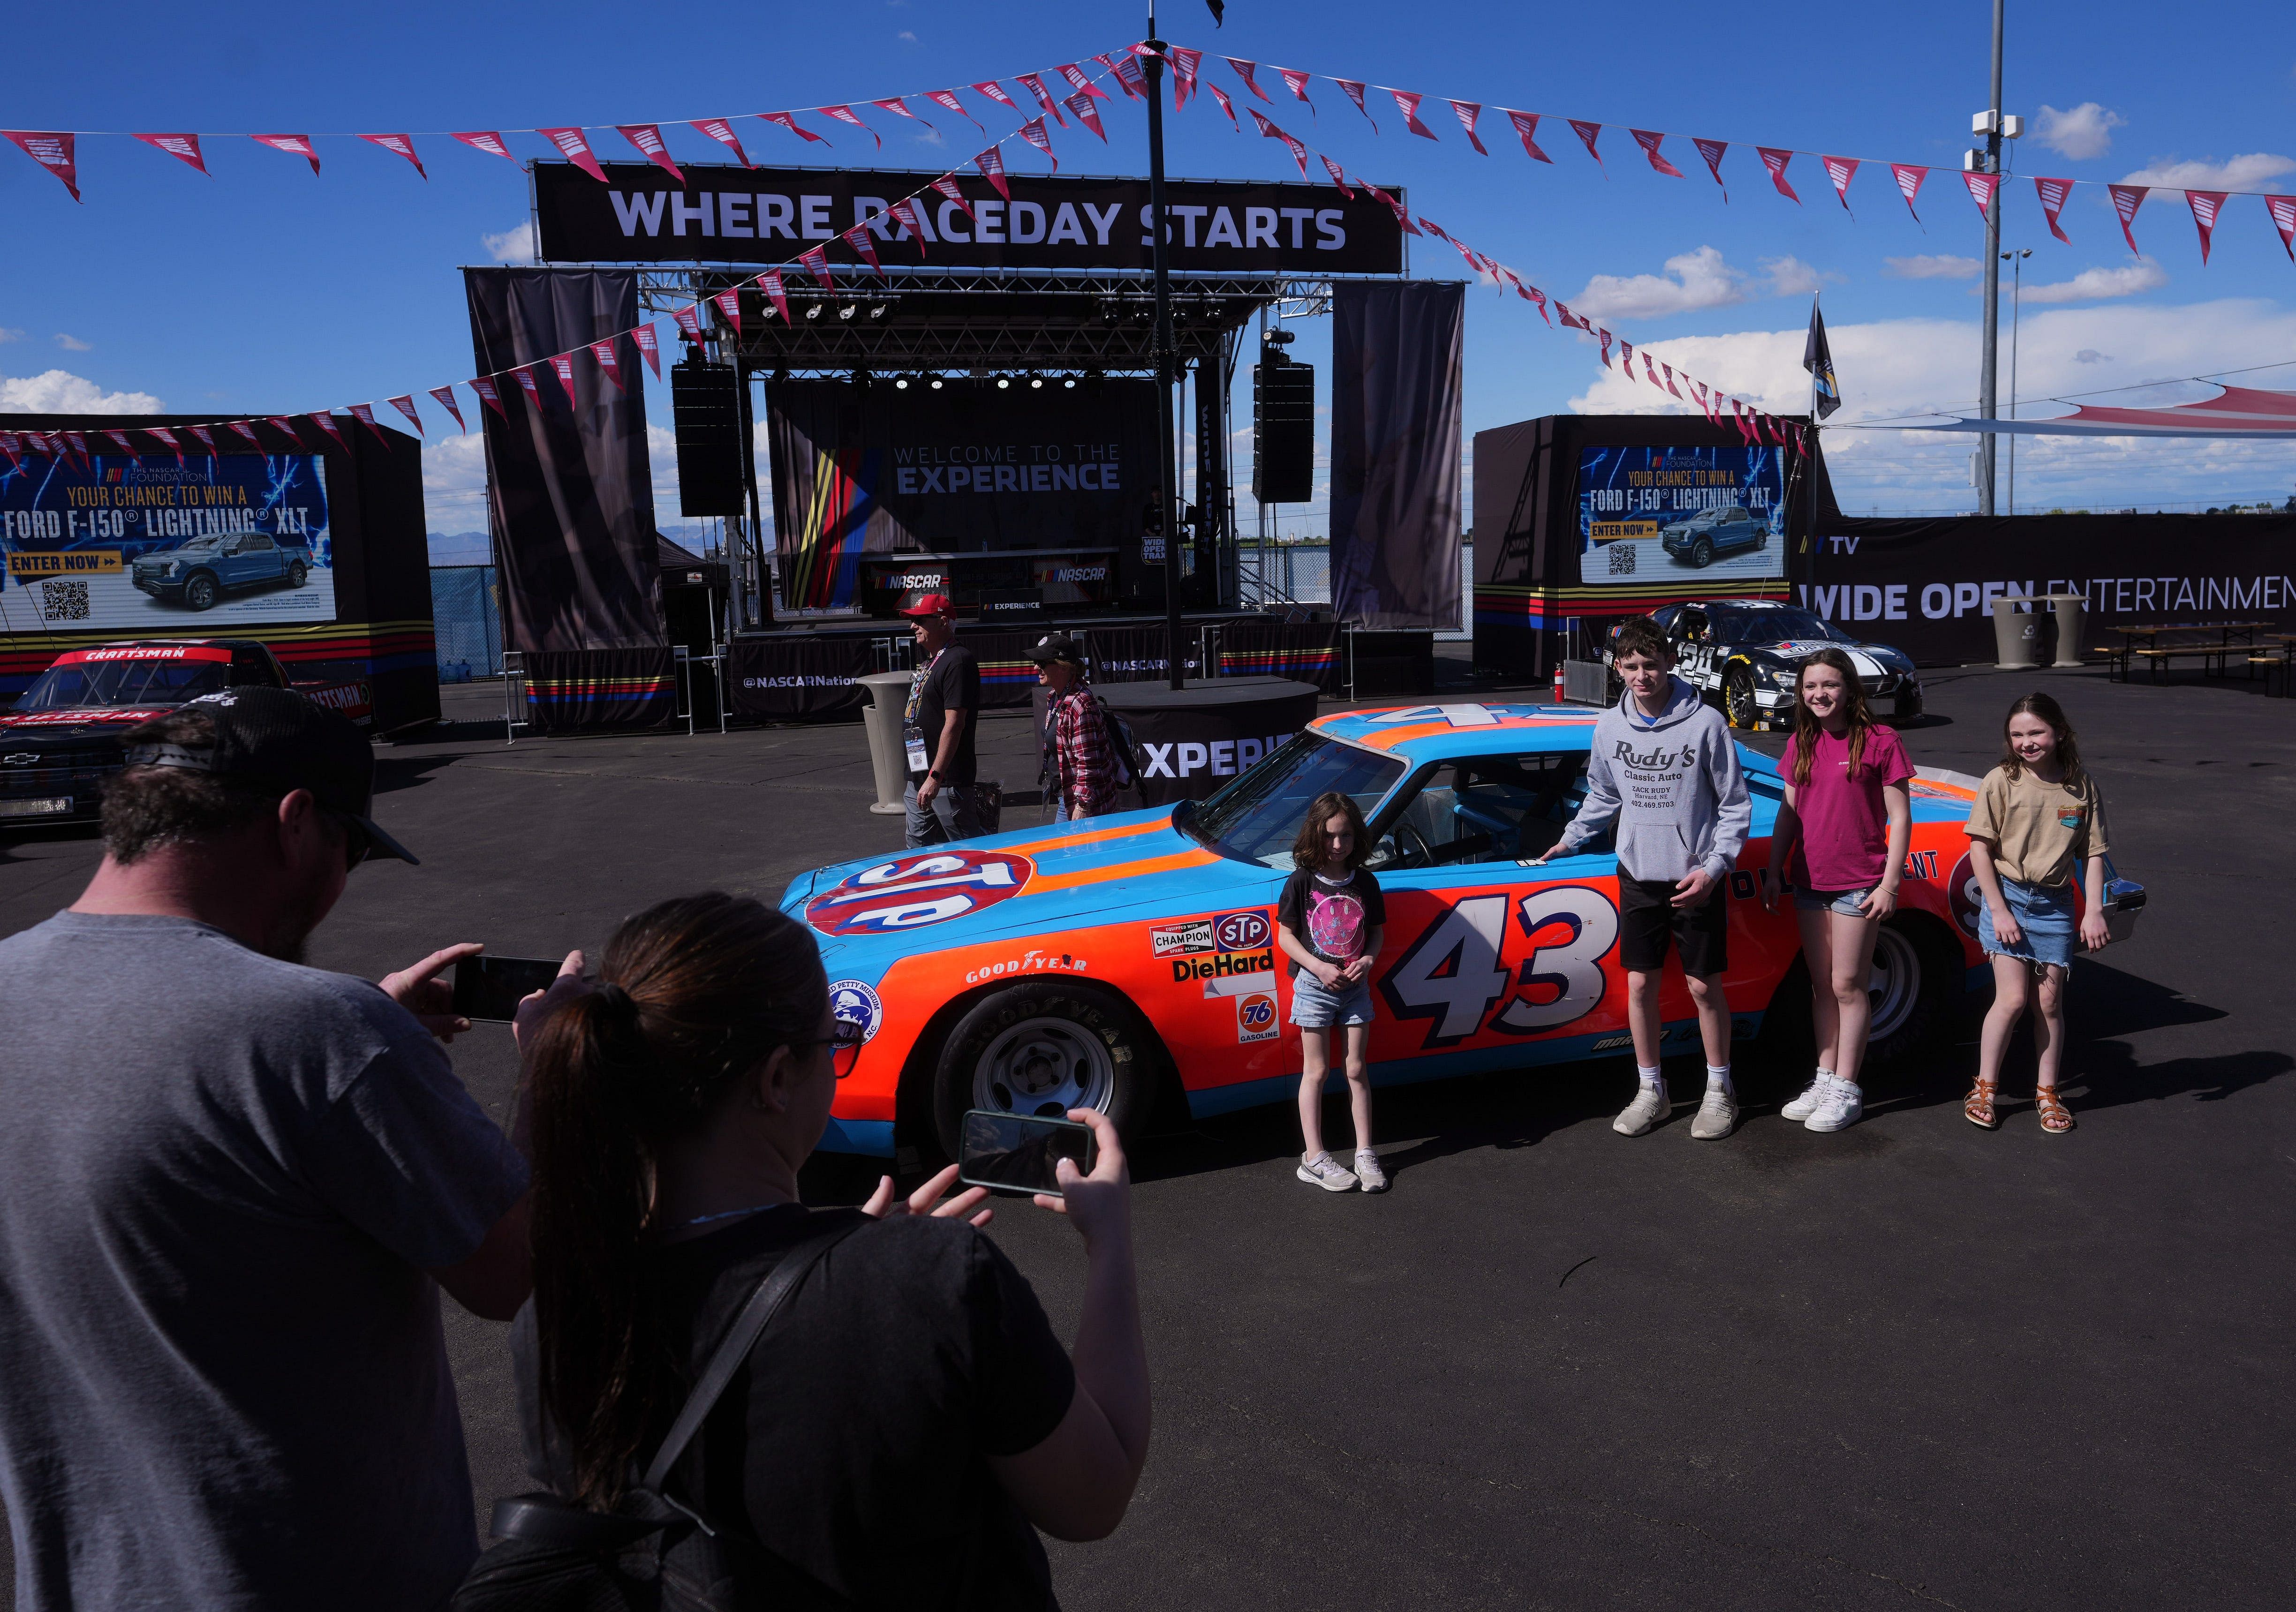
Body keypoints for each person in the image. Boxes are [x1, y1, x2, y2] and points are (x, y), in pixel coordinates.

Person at [0, 689, 544, 1612]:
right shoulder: (320, 1033)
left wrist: (348, 1062)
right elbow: (516, 1273)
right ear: (298, 822)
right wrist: (559, 1073)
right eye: (354, 847)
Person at [514, 892, 1150, 1608]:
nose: (837, 1060)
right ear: (778, 1077)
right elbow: (1094, 1498)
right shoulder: (934, 1281)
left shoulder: (556, 1314)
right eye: (835, 1042)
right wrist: (1111, 1243)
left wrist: (846, 1254)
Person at [1535, 616, 1751, 1141]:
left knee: (1703, 987)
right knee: (1639, 986)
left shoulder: (1707, 724)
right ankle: (1651, 1090)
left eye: (1650, 665)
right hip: (1637, 875)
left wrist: (1715, 868)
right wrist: (1571, 837)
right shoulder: (1608, 727)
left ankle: (1721, 1091)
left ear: (1669, 663)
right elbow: (1604, 795)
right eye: (1630, 666)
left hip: (1693, 879)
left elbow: (1734, 806)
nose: (1641, 675)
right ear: (1618, 668)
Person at [1759, 648, 1915, 1134]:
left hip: (1858, 883)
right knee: (1822, 986)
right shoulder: (1801, 741)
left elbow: (1901, 816)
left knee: (1848, 986)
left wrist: (1890, 883)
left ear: (1849, 689)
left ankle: (1848, 1089)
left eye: (1828, 685)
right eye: (1809, 687)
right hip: (1809, 879)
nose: (1819, 695)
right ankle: (1825, 1078)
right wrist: (1772, 870)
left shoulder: (1881, 741)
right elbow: (1788, 812)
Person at [1960, 692, 2112, 1133]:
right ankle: (1985, 1086)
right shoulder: (2000, 781)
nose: (2026, 742)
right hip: (2005, 898)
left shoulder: (2081, 785)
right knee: (2009, 1000)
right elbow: (1979, 849)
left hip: (2055, 906)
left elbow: (2095, 854)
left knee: (2048, 1003)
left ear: (2059, 732)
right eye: (2017, 735)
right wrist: (1998, 909)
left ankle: (2048, 1092)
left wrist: (2094, 911)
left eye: (2036, 732)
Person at [1276, 791, 1389, 1192]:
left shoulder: (1366, 882)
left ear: (1357, 837)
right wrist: (1319, 967)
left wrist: (1370, 961)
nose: (1337, 845)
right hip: (1314, 986)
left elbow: (1375, 933)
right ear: (1315, 834)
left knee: (1357, 1070)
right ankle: (1314, 1157)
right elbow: (1286, 936)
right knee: (1318, 1071)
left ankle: (1364, 1153)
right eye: (1329, 836)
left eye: (1345, 836)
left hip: (1356, 988)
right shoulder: (1302, 881)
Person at [902, 591, 985, 847]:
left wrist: (935, 777)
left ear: (943, 622)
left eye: (921, 620)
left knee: (967, 850)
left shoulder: (958, 660)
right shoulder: (932, 660)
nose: (913, 626)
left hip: (944, 780)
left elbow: (954, 723)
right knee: (917, 849)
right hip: (919, 774)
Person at [1033, 633, 1117, 822]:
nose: (1036, 667)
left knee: (1070, 851)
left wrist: (1082, 806)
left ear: (1062, 666)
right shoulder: (1055, 696)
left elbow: (1088, 762)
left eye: (1042, 662)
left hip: (1082, 802)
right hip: (1066, 795)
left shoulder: (1080, 703)